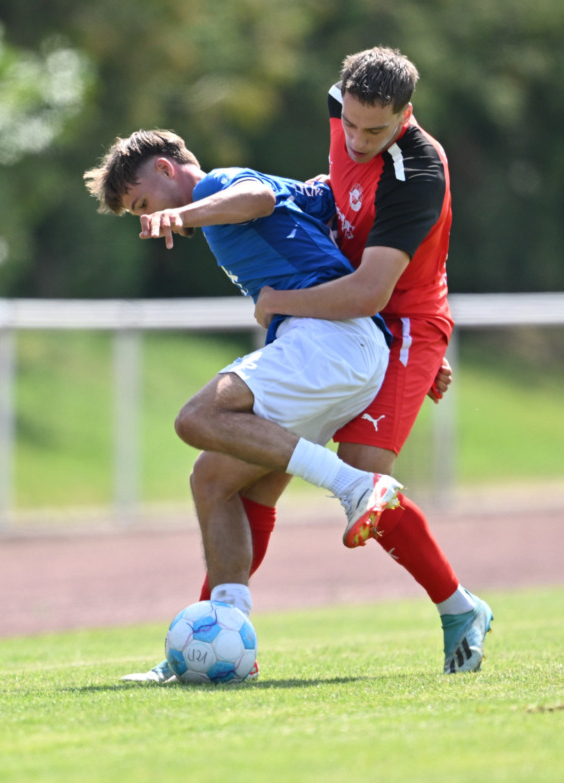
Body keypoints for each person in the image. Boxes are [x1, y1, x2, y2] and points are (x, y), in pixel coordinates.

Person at [84, 129, 403, 681]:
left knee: (198, 418)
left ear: (165, 168)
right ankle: (226, 645)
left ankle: (353, 487)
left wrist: (184, 216)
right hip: (338, 350)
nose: (147, 216)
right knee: (211, 481)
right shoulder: (240, 202)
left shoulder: (220, 185)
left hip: (328, 341)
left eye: (142, 203)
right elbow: (328, 210)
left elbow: (254, 198)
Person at [253, 46, 493, 676]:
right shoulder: (344, 107)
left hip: (402, 322)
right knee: (252, 464)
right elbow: (342, 190)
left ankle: (460, 609)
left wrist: (279, 301)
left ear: (406, 116)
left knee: (363, 476)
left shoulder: (418, 172)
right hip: (352, 315)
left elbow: (371, 292)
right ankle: (212, 628)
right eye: (350, 124)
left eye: (374, 131)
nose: (356, 139)